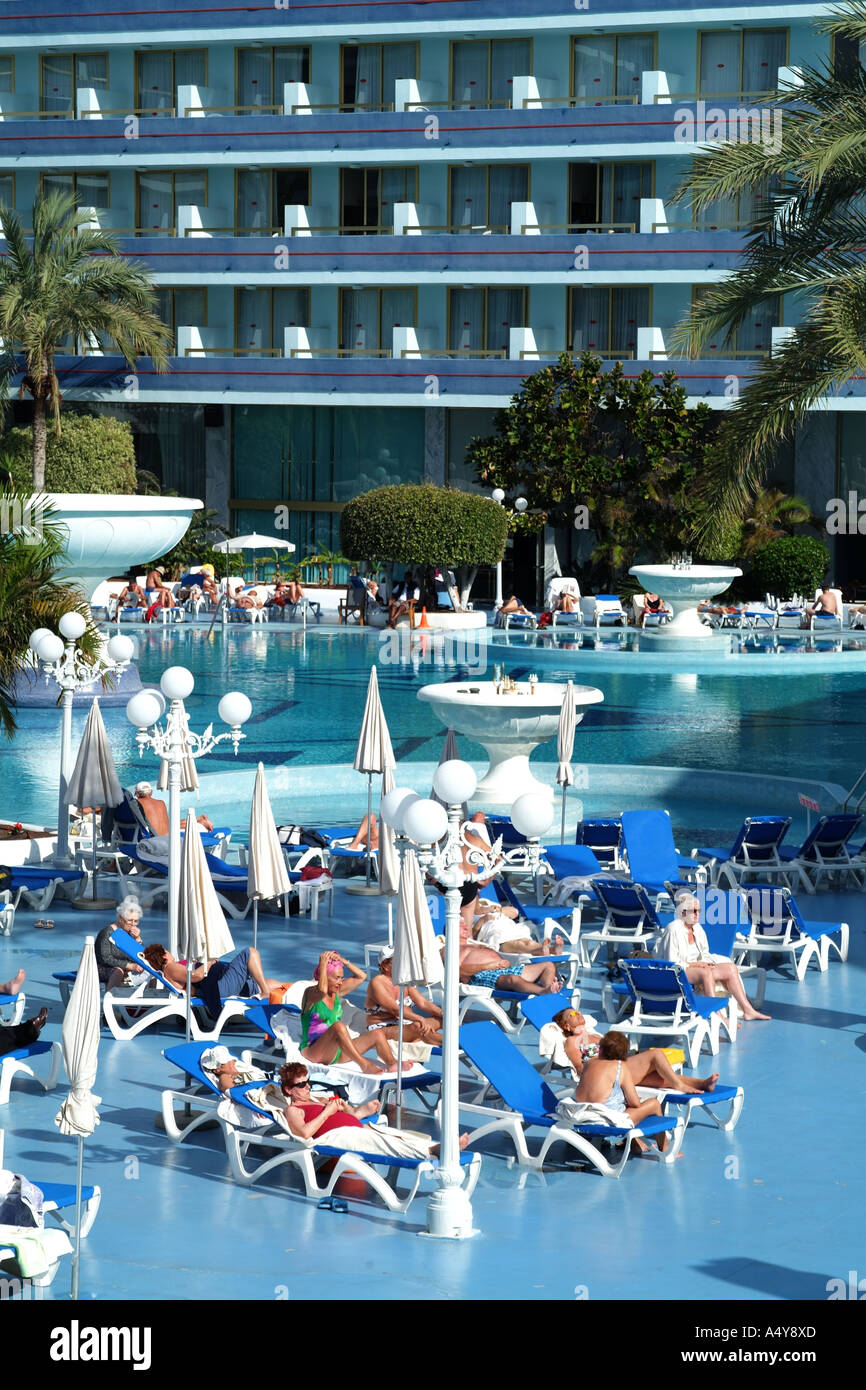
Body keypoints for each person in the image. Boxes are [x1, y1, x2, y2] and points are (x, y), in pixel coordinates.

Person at [273, 1061, 468, 1159]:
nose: (308, 1087)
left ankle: (436, 1147)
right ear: (289, 1089)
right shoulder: (293, 1110)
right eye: (301, 1085)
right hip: (339, 1136)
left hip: (356, 1126)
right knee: (383, 1142)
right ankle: (434, 1151)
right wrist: (327, 1112)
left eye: (308, 1082)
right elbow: (304, 1133)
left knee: (397, 1135)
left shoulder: (317, 1098)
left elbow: (346, 1116)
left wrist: (355, 1110)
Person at [657, 891, 770, 1021]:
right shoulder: (673, 930)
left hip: (695, 968)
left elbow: (705, 953)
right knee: (705, 973)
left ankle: (748, 1010)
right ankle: (717, 1015)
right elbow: (671, 963)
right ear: (683, 913)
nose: (697, 914)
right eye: (693, 911)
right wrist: (697, 965)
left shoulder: (697, 928)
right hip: (676, 972)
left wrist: (709, 963)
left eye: (698, 911)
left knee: (731, 968)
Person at [551, 1006, 719, 1091]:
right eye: (572, 1015)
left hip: (619, 1067)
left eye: (578, 1011)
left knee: (660, 1077)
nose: (578, 1014)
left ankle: (702, 1084)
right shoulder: (572, 1042)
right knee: (655, 1054)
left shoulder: (594, 1035)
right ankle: (679, 1085)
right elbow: (581, 1068)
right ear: (566, 1026)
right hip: (608, 1075)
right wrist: (598, 1057)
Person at [300, 950, 413, 1076]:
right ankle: (365, 1065)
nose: (340, 982)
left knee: (377, 1033)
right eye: (337, 978)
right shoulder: (310, 994)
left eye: (341, 978)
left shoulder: (336, 992)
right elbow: (321, 990)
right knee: (339, 1026)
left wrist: (343, 961)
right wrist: (323, 963)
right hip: (314, 1051)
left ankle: (392, 1063)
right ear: (324, 976)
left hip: (336, 1052)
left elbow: (361, 976)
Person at [574, 1031, 676, 1154]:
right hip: (604, 1120)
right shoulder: (620, 1067)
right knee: (653, 1104)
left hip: (581, 1114)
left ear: (601, 1048)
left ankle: (635, 1144)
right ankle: (664, 1148)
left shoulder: (589, 1063)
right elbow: (635, 1103)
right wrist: (632, 1100)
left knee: (620, 1104)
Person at [142, 942, 288, 1018]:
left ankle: (298, 987)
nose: (170, 953)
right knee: (250, 952)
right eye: (167, 951)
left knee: (263, 982)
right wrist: (210, 962)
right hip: (220, 988)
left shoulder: (168, 970)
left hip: (219, 986)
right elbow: (196, 976)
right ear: (163, 956)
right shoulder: (171, 967)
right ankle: (265, 993)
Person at [457, 918, 562, 994]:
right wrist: (491, 965)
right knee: (512, 979)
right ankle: (543, 992)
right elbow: (459, 972)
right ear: (450, 929)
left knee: (548, 965)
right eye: (461, 926)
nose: (466, 927)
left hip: (503, 969)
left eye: (465, 924)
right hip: (480, 975)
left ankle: (549, 989)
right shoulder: (452, 949)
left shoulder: (473, 944)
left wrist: (504, 961)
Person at [365, 947, 443, 1044]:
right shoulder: (377, 983)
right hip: (382, 1027)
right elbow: (395, 1010)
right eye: (398, 961)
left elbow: (423, 1003)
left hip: (405, 1023)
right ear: (385, 966)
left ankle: (455, 1039)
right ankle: (452, 1044)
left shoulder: (404, 980)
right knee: (418, 1027)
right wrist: (421, 1019)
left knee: (442, 1019)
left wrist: (443, 1014)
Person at [94, 896, 146, 988]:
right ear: (120, 918)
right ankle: (110, 999)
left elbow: (140, 957)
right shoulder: (107, 932)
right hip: (103, 968)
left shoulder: (129, 934)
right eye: (130, 921)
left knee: (152, 969)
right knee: (118, 971)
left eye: (136, 921)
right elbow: (105, 959)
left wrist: (138, 939)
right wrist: (129, 966)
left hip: (125, 969)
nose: (133, 924)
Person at [134, 781, 213, 836]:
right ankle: (197, 820)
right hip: (168, 834)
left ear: (137, 794)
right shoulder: (161, 803)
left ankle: (199, 821)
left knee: (170, 825)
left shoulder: (136, 804)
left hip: (157, 838)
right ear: (151, 792)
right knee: (171, 824)